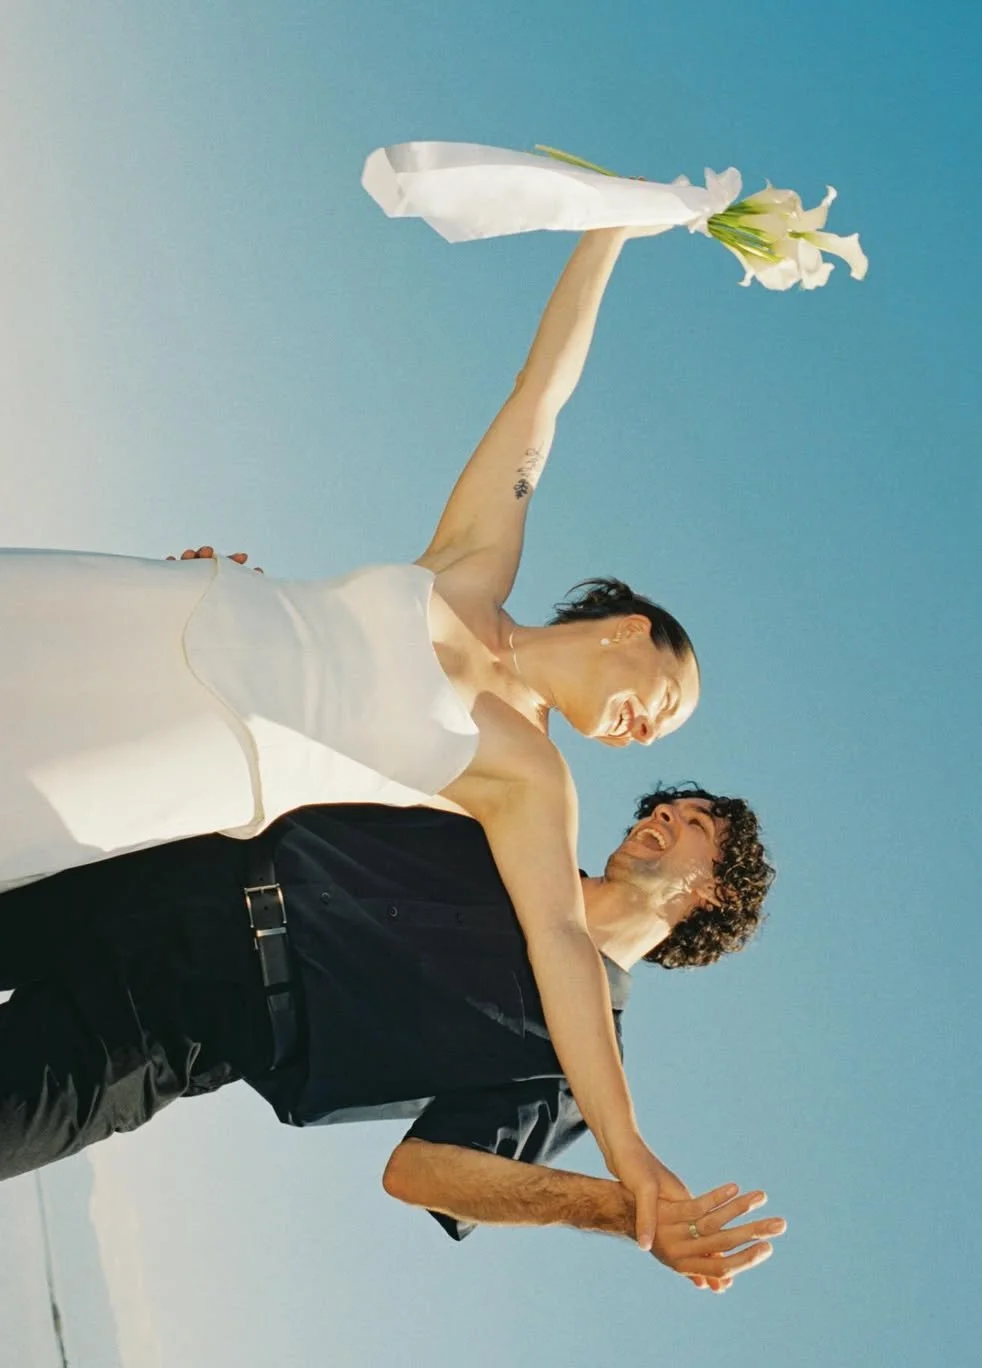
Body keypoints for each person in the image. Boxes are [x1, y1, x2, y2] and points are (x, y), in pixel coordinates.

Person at [1, 224, 695, 1240]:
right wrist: (612, 231)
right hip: (155, 629)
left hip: (182, 772)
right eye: (663, 699)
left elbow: (560, 945)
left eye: (661, 732)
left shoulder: (529, 775)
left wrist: (629, 1157)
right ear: (631, 630)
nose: (646, 731)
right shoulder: (474, 562)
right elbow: (539, 396)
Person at [0, 784, 779, 1290]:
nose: (662, 817)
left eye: (693, 825)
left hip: (172, 1035)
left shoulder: (576, 1073)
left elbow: (422, 1173)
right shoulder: (521, 824)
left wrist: (618, 1209)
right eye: (666, 807)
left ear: (713, 892)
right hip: (163, 877)